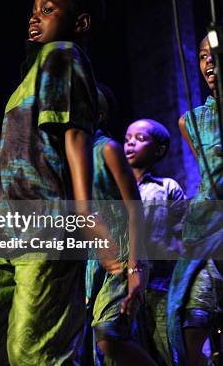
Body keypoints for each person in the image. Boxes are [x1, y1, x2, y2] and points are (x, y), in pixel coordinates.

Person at [0, 0, 121, 365]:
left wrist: (85, 212)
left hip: (46, 223)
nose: (34, 18)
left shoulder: (64, 54)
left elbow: (76, 137)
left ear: (81, 23)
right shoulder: (28, 77)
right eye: (33, 11)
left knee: (34, 351)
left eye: (48, 9)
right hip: (2, 228)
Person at [84, 87, 153, 365]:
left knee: (108, 333)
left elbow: (134, 210)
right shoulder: (69, 156)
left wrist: (135, 266)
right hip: (90, 257)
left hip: (123, 253)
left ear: (98, 114)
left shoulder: (107, 149)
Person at [168, 35, 223, 366]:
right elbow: (208, 173)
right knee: (194, 316)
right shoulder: (190, 120)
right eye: (203, 56)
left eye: (215, 55)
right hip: (206, 225)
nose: (209, 63)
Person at [124, 118, 186, 365]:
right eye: (127, 139)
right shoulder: (113, 191)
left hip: (161, 284)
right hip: (124, 287)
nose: (130, 144)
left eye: (139, 139)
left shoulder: (166, 187)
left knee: (165, 347)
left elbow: (183, 233)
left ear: (158, 150)